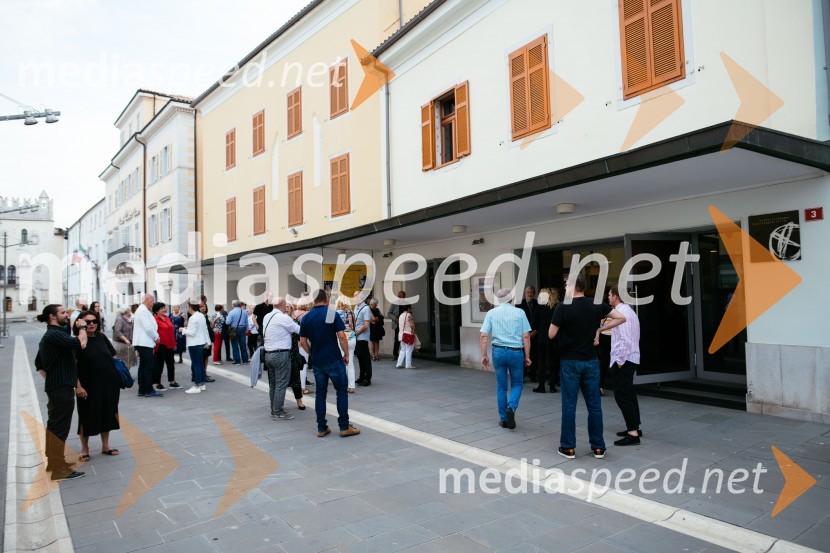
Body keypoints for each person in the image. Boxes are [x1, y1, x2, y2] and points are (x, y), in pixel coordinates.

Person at [549, 274, 626, 460]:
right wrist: (599, 329)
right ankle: (598, 447)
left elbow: (551, 334)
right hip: (591, 360)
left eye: (566, 284)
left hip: (569, 361)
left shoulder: (562, 307)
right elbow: (621, 317)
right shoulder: (596, 304)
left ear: (573, 286)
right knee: (594, 405)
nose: (565, 287)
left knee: (569, 404)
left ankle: (568, 447)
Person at [34, 304, 87, 480]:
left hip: (58, 387)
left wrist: (52, 378)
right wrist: (82, 327)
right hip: (61, 389)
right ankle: (58, 469)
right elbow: (81, 343)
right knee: (59, 429)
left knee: (55, 427)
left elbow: (39, 363)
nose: (67, 315)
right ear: (52, 316)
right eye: (63, 312)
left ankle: (54, 463)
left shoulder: (53, 335)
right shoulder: (54, 334)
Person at [299, 289, 360, 438]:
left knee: (320, 394)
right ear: (326, 298)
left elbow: (303, 342)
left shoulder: (306, 317)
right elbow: (342, 336)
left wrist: (312, 353)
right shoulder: (331, 314)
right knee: (341, 392)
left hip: (318, 361)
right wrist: (346, 354)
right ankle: (344, 426)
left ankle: (322, 427)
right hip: (333, 358)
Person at [73, 310, 121, 461]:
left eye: (94, 321)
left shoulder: (101, 337)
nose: (92, 324)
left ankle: (105, 446)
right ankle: (84, 449)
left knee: (107, 413)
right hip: (88, 386)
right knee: (86, 416)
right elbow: (72, 366)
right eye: (87, 322)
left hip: (108, 384)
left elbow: (113, 355)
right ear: (81, 323)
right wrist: (78, 386)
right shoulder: (78, 341)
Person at [480, 289, 531, 430]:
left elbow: (483, 336)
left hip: (498, 352)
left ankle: (503, 419)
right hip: (516, 352)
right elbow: (526, 336)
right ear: (511, 298)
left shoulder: (491, 313)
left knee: (501, 387)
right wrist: (527, 356)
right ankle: (511, 408)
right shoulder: (520, 313)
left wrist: (484, 355)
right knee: (517, 384)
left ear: (498, 299)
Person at [606, 285, 642, 446]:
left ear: (615, 296)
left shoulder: (622, 313)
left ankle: (632, 433)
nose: (608, 297)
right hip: (631, 357)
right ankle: (635, 427)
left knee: (622, 395)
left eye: (609, 294)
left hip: (625, 359)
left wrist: (620, 361)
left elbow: (625, 339)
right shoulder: (629, 311)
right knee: (629, 393)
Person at [262, 297, 300, 421]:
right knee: (281, 384)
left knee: (273, 384)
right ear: (283, 305)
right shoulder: (283, 318)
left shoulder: (267, 316)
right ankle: (278, 411)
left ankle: (274, 410)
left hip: (269, 354)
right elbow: (299, 330)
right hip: (281, 354)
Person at [133, 294, 162, 398]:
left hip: (143, 342)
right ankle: (148, 389)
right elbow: (148, 327)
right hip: (144, 342)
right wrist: (156, 337)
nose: (153, 303)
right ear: (148, 300)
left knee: (143, 366)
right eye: (152, 301)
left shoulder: (143, 310)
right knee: (148, 366)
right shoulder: (143, 311)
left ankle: (142, 389)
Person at [533, 288, 559, 393]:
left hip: (542, 338)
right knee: (553, 362)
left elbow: (534, 322)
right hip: (553, 337)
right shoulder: (556, 307)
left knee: (541, 362)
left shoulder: (539, 307)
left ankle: (541, 386)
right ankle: (552, 386)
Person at [181, 302, 210, 394]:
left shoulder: (193, 318)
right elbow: (204, 329)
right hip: (201, 342)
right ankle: (202, 384)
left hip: (194, 343)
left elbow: (192, 332)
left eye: (187, 306)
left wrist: (183, 330)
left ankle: (197, 385)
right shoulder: (201, 315)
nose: (187, 308)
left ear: (190, 307)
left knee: (196, 365)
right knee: (200, 364)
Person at [152, 303, 180, 390]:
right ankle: (158, 383)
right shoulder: (154, 319)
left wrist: (174, 343)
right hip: (160, 345)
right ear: (156, 311)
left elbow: (171, 331)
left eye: (164, 308)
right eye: (161, 309)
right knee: (159, 364)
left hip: (169, 344)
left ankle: (172, 381)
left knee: (171, 363)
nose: (164, 310)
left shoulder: (167, 318)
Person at [335, 296, 357, 393]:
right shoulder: (351, 312)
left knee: (340, 362)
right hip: (351, 337)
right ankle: (351, 386)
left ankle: (342, 384)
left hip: (341, 338)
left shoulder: (335, 313)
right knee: (350, 363)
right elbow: (354, 325)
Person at [518, 286, 539, 382]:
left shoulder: (538, 303)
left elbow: (541, 318)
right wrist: (525, 332)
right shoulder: (519, 305)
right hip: (523, 335)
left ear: (534, 293)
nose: (529, 294)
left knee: (534, 355)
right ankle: (522, 375)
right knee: (523, 356)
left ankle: (533, 375)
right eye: (528, 292)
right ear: (525, 293)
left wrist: (536, 330)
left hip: (535, 334)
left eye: (531, 292)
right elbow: (518, 320)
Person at [353, 291, 373, 387]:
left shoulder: (366, 308)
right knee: (359, 357)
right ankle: (361, 376)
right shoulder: (356, 307)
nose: (354, 298)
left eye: (356, 296)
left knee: (365, 358)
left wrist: (356, 333)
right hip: (357, 336)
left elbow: (366, 325)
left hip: (362, 337)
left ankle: (367, 378)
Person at [225, 300, 249, 365]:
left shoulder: (231, 312)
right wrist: (247, 329)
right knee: (243, 345)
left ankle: (237, 361)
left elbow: (227, 322)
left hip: (234, 330)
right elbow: (246, 322)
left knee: (235, 345)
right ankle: (245, 360)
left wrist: (227, 318)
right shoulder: (244, 312)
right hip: (242, 329)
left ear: (233, 305)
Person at [387, 290, 406, 359]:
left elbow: (410, 312)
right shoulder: (394, 303)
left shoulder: (406, 303)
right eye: (399, 296)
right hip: (397, 324)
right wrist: (395, 319)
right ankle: (395, 355)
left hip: (405, 324)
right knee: (397, 339)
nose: (399, 297)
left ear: (404, 296)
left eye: (401, 296)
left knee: (405, 339)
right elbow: (389, 313)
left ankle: (405, 354)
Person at [396, 304, 416, 369]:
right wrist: (414, 329)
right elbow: (412, 324)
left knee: (403, 350)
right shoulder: (409, 315)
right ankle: (408, 365)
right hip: (408, 334)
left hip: (401, 335)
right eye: (410, 308)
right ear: (408, 308)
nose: (411, 309)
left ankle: (399, 364)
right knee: (409, 350)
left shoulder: (401, 315)